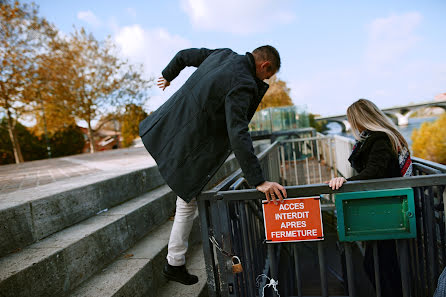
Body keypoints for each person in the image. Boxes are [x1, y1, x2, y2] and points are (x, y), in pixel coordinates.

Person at [139, 46, 287, 285]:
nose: (265, 80)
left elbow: (184, 56)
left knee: (185, 201)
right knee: (186, 203)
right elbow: (237, 132)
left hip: (165, 125)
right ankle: (173, 263)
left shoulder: (223, 54)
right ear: (265, 66)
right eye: (267, 77)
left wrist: (167, 75)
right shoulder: (244, 83)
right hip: (187, 143)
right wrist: (259, 180)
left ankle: (174, 262)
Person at [327, 98, 413, 297]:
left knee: (380, 265)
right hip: (384, 205)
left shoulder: (380, 139)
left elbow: (375, 171)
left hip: (387, 208)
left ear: (359, 119)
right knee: (381, 263)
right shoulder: (375, 138)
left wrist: (346, 181)